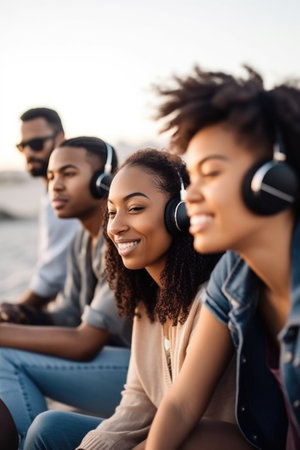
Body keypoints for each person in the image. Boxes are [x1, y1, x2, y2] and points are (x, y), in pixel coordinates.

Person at [23, 148, 237, 450]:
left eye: (135, 208)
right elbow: (136, 404)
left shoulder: (209, 302)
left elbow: (181, 412)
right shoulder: (146, 304)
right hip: (167, 436)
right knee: (50, 427)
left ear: (179, 214)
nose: (115, 226)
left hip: (205, 441)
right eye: (111, 211)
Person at [142, 66, 300, 449]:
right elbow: (180, 405)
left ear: (272, 179)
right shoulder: (234, 272)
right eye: (190, 178)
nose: (189, 197)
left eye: (210, 173)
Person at [0, 136, 131, 449]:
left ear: (104, 181)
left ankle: (23, 441)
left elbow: (85, 342)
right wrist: (25, 315)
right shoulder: (81, 241)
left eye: (68, 174)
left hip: (140, 375)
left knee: (4, 355)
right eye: (50, 176)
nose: (55, 186)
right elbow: (69, 316)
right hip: (113, 366)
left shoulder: (121, 241)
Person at [0, 107, 79, 325]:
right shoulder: (48, 197)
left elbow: (51, 279)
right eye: (22, 146)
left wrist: (14, 312)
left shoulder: (71, 200)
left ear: (60, 139)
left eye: (36, 144)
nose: (28, 153)